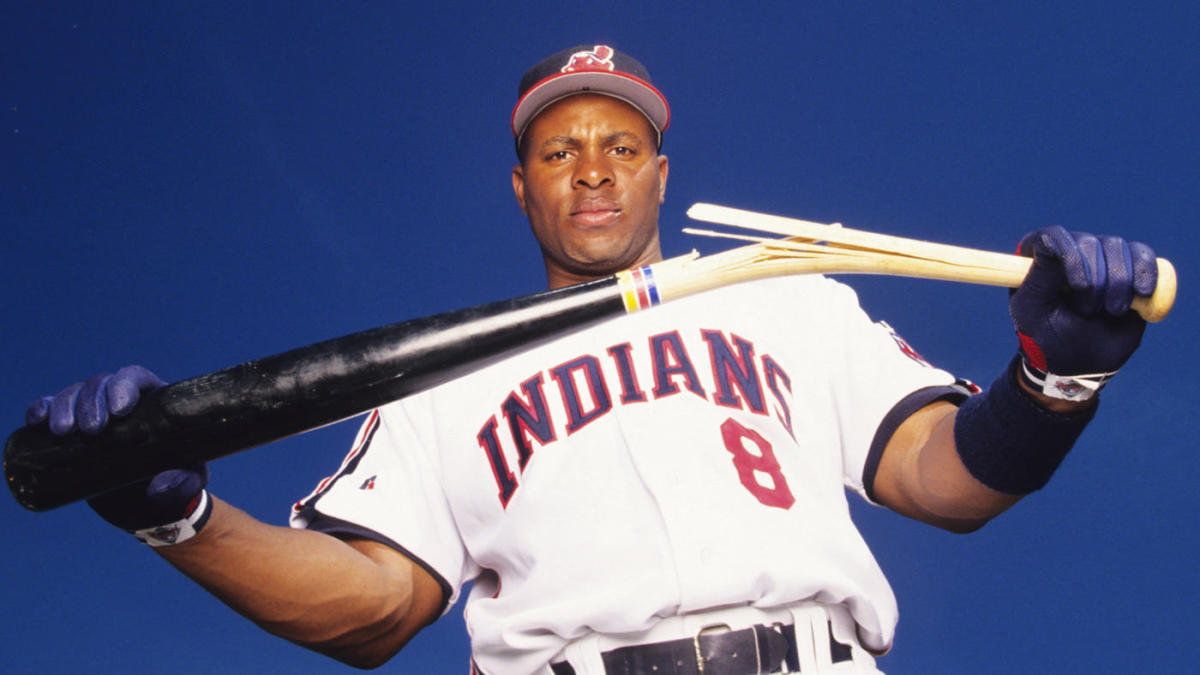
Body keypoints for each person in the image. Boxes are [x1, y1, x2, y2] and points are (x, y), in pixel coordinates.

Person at [25, 44, 1158, 675]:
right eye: (559, 150)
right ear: (522, 188)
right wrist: (181, 520)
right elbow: (375, 607)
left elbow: (943, 480)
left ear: (660, 174)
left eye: (621, 144)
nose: (594, 168)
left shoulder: (792, 301)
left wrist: (1053, 382)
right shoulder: (440, 385)